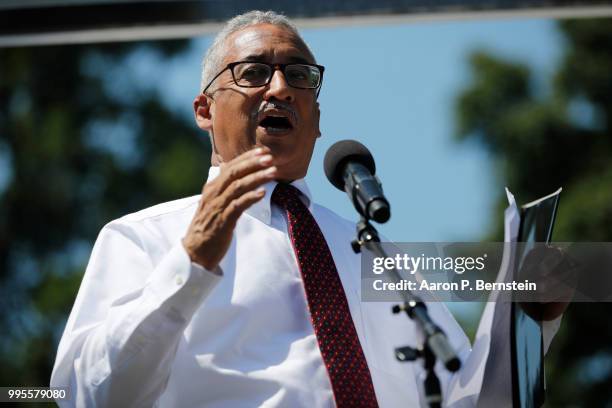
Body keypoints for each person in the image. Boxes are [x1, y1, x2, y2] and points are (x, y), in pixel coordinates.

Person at [50, 10, 563, 407]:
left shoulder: (383, 257)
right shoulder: (145, 238)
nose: (280, 88)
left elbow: (465, 399)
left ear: (316, 119)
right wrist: (191, 263)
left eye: (299, 76)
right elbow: (85, 394)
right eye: (253, 72)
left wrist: (530, 324)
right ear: (205, 110)